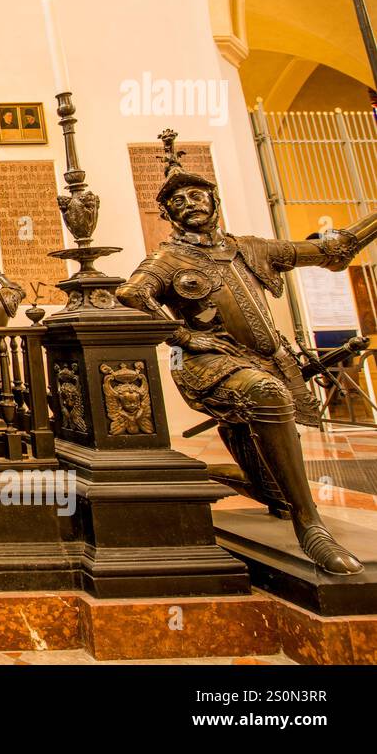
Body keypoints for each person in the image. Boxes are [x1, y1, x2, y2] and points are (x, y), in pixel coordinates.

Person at [118, 129, 377, 573]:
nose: (190, 204)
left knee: (272, 479)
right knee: (266, 395)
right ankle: (310, 525)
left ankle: (236, 484)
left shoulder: (251, 248)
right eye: (178, 202)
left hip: (267, 357)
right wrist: (182, 337)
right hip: (207, 363)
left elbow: (333, 249)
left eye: (197, 196)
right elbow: (131, 295)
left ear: (213, 201)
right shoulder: (167, 258)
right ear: (167, 213)